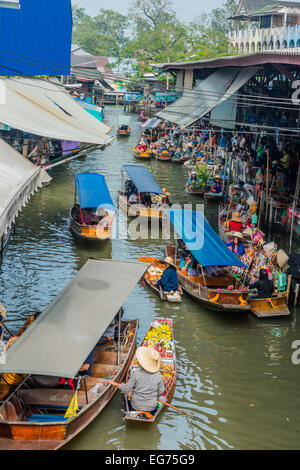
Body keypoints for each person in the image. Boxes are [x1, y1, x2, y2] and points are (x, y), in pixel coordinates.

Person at [113, 346, 165, 416]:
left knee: (127, 396)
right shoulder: (158, 375)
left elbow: (127, 389)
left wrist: (115, 384)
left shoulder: (135, 373)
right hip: (152, 406)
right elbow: (161, 391)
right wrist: (155, 398)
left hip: (135, 405)